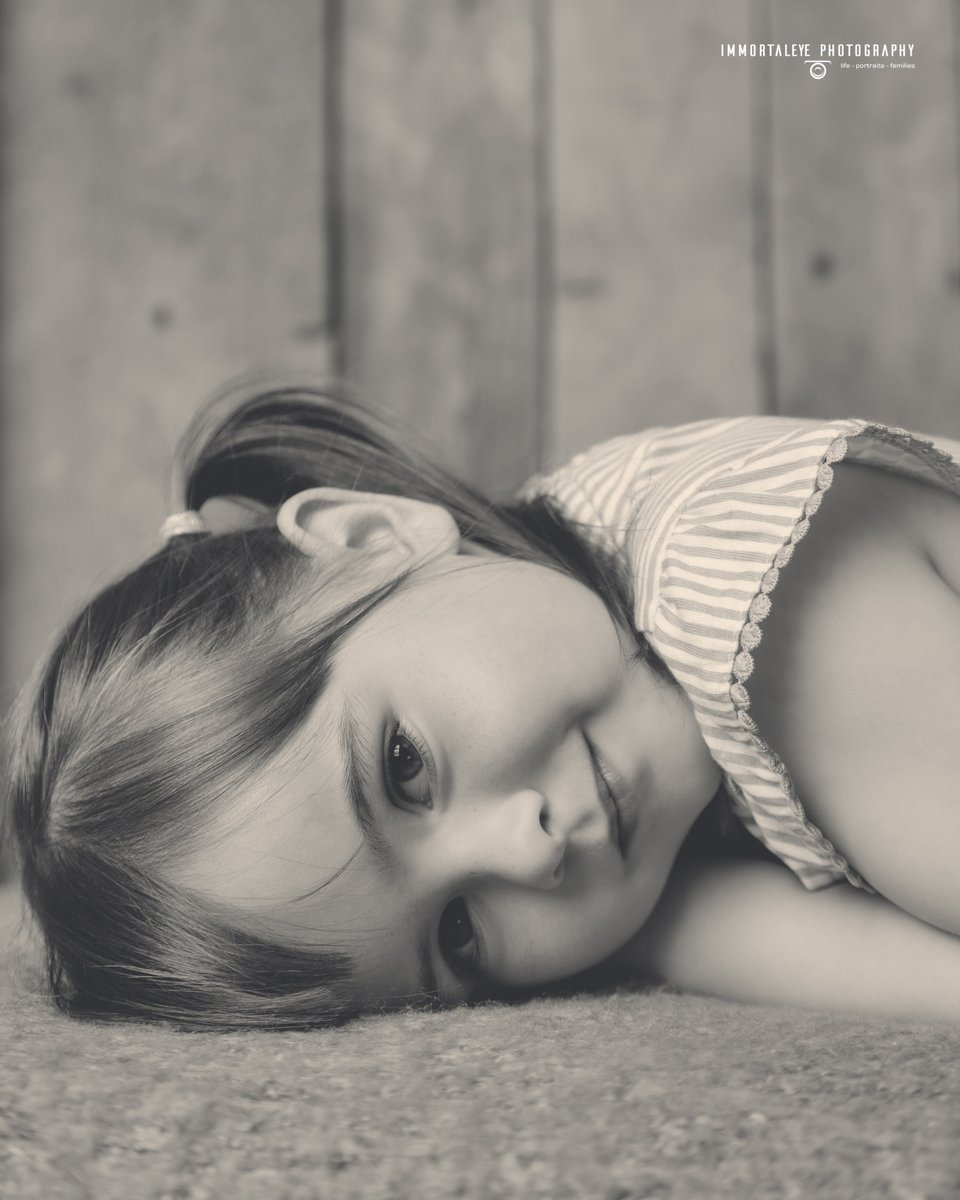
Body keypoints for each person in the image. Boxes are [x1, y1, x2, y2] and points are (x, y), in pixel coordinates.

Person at [7, 379, 960, 1029]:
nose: (527, 852)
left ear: (372, 536)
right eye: (459, 935)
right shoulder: (582, 581)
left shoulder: (748, 595)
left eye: (405, 768)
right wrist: (680, 920)